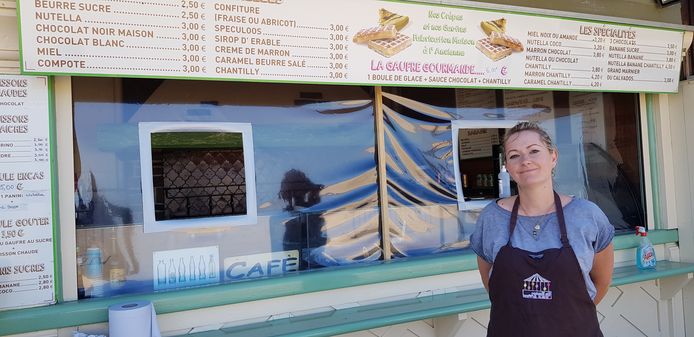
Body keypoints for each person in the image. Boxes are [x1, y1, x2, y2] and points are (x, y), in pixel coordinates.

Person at [470, 121, 614, 337]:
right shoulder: (491, 218)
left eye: (534, 151)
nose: (525, 161)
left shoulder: (587, 215)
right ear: (507, 166)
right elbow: (492, 286)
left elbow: (601, 282)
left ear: (553, 157)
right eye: (514, 155)